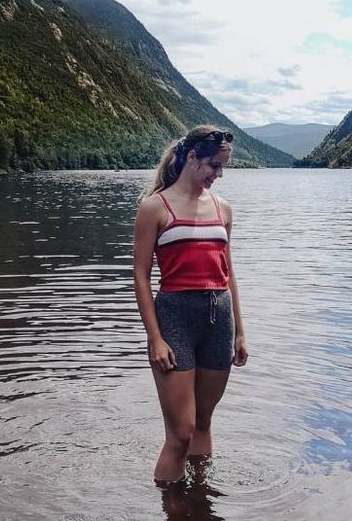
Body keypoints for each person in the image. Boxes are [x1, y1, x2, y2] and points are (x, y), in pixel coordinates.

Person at [131, 125, 249, 484]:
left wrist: (240, 333)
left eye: (222, 167)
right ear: (192, 158)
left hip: (220, 319)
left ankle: (200, 498)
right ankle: (172, 505)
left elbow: (228, 272)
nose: (219, 174)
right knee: (180, 432)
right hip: (175, 320)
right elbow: (140, 276)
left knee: (203, 422)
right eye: (214, 165)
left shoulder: (223, 209)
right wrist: (155, 338)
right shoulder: (155, 207)